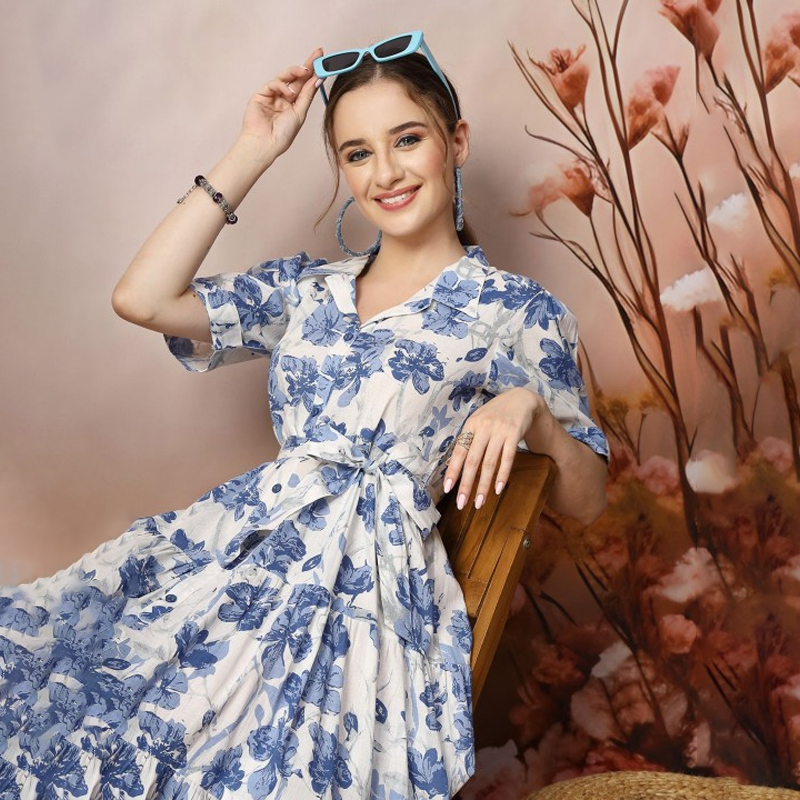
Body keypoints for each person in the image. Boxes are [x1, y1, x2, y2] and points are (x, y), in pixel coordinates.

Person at [0, 31, 608, 799]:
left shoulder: (518, 311)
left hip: (360, 609)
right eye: (357, 153)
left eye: (407, 139)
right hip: (238, 567)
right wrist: (254, 150)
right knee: (62, 706)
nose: (385, 172)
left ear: (455, 142)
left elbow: (588, 498)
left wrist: (534, 413)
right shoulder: (309, 290)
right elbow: (142, 298)